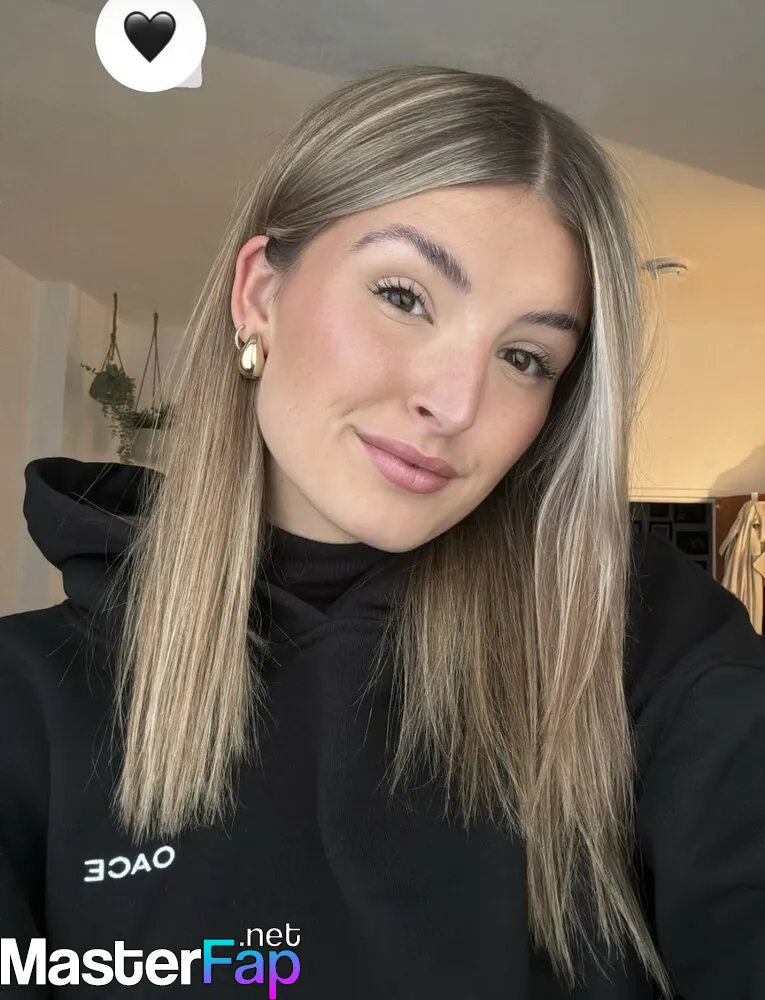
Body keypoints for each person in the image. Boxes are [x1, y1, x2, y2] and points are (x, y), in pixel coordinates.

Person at [1, 64, 763, 1000]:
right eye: (403, 296)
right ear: (259, 294)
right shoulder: (27, 705)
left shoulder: (637, 645)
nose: (455, 403)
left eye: (524, 356)